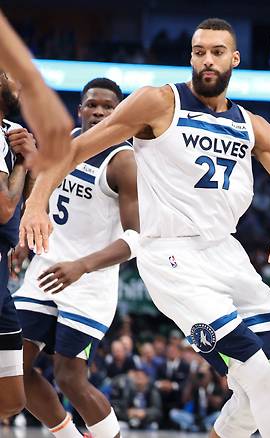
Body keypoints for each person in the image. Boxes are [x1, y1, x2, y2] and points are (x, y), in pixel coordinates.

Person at [20, 18, 270, 438]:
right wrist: (36, 203)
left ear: (234, 59)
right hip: (171, 254)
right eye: (199, 52)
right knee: (256, 374)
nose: (207, 60)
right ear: (191, 57)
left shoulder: (250, 125)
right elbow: (76, 149)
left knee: (259, 380)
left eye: (217, 52)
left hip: (226, 252)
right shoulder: (159, 103)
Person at [13, 77, 138, 438]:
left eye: (108, 107)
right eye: (92, 105)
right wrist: (27, 236)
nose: (99, 112)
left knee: (69, 378)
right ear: (80, 109)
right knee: (11, 367)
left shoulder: (122, 162)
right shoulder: (63, 145)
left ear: (120, 112)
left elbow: (135, 241)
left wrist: (81, 266)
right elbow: (43, 196)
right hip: (45, 269)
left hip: (89, 282)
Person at [0, 10, 72, 172]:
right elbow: (6, 198)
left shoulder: (14, 130)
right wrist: (34, 86)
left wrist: (30, 158)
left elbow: (32, 196)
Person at [0, 69, 33, 420]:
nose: (19, 83)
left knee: (11, 401)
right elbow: (5, 208)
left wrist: (31, 157)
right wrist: (22, 164)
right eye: (10, 77)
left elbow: (33, 198)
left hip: (3, 269)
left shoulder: (11, 133)